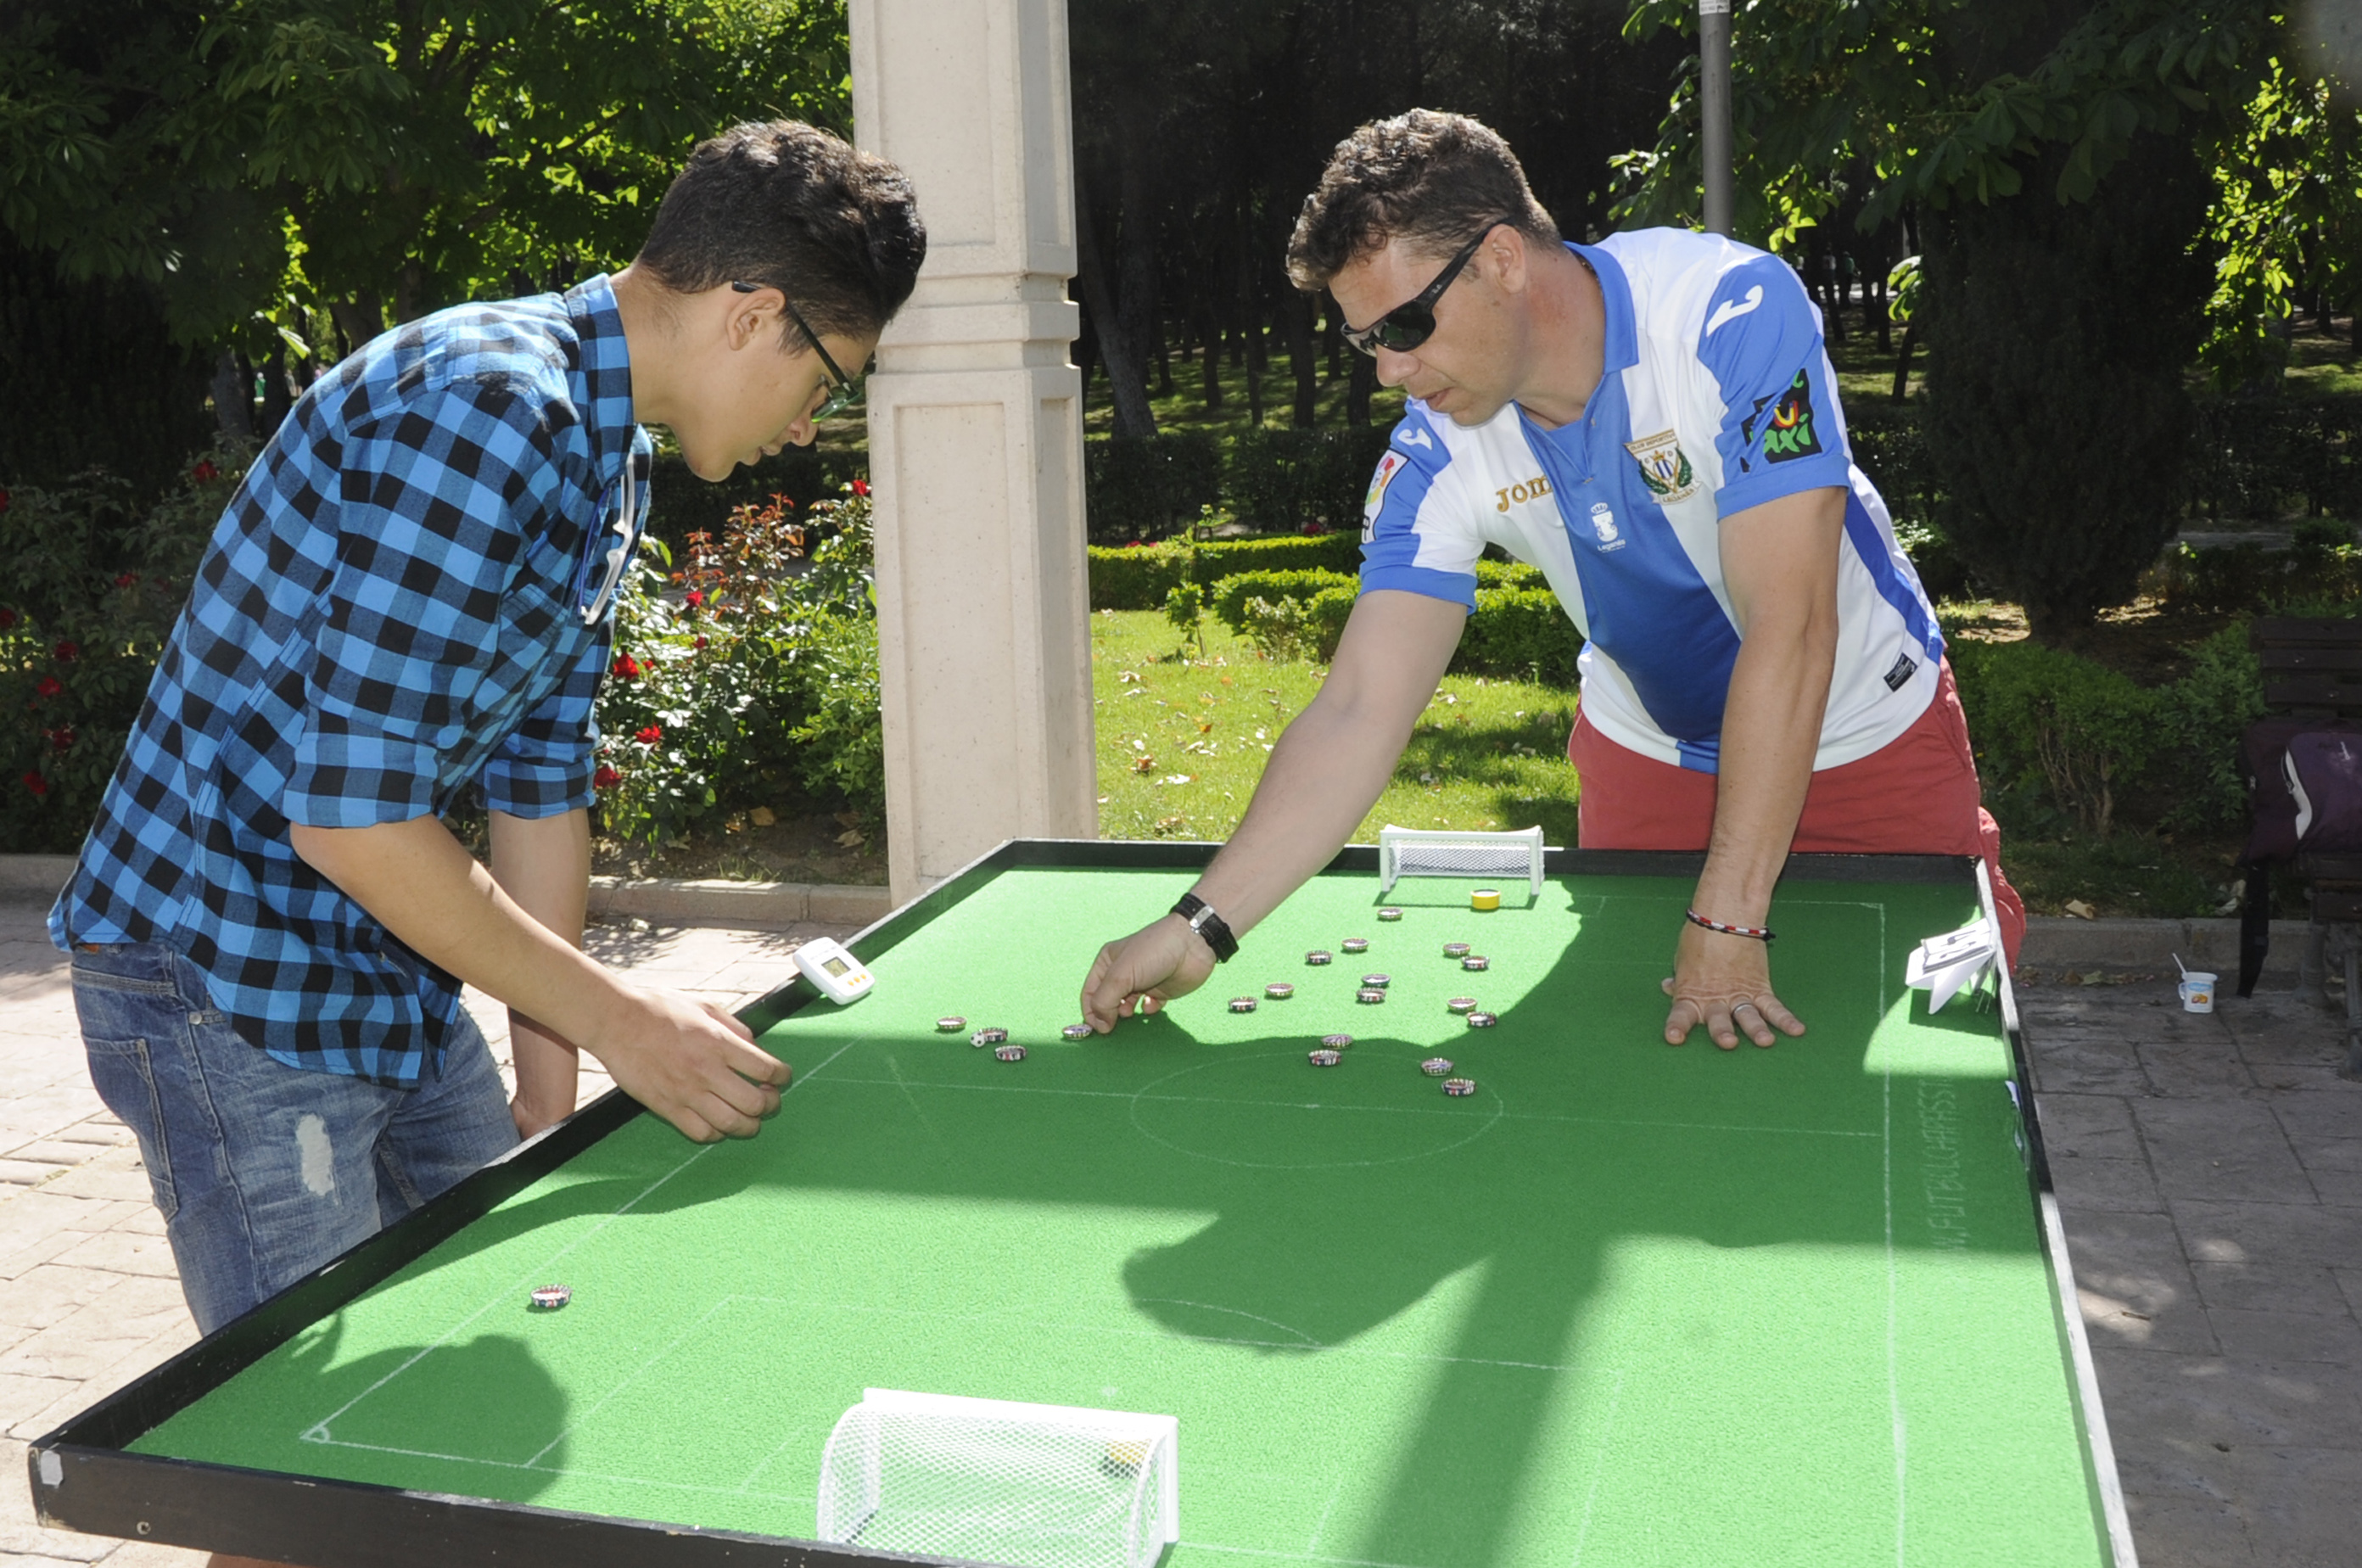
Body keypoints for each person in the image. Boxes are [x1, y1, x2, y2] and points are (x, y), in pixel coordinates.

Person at [53, 118, 925, 1377]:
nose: (809, 425)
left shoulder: (605, 454)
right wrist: (623, 1019)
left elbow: (539, 785)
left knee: (488, 1343)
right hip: (224, 976)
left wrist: (550, 1077)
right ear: (752, 316)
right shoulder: (489, 406)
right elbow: (351, 818)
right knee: (302, 1437)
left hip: (383, 966)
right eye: (831, 380)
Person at [1078, 109, 2021, 1051]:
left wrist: (1728, 914)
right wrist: (1200, 927)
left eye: (1404, 324)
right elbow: (1360, 707)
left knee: (1938, 1070)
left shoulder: (1729, 310)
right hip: (1646, 756)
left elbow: (1794, 627)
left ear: (1501, 259)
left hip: (1862, 734)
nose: (1391, 370)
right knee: (1635, 1073)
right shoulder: (1433, 450)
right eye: (1368, 341)